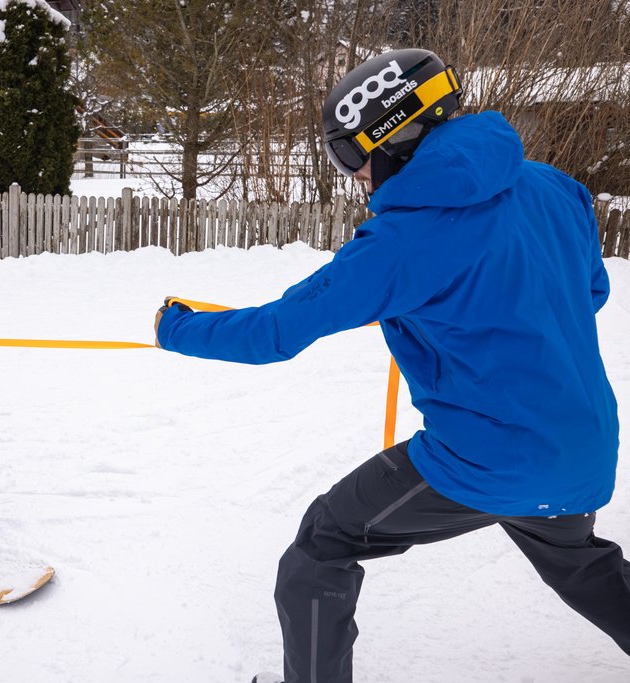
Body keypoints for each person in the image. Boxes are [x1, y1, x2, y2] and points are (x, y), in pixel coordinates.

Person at [154, 48, 629, 681]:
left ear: (393, 138)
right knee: (580, 564)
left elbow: (275, 332)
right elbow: (589, 292)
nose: (353, 175)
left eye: (350, 156)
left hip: (481, 458)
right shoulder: (551, 186)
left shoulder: (400, 243)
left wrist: (177, 328)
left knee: (322, 545)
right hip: (582, 447)